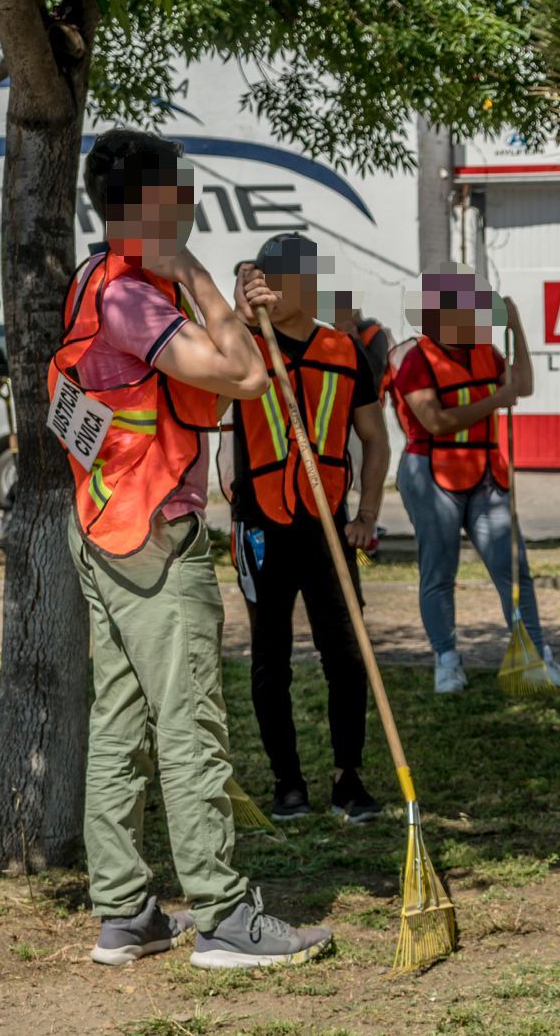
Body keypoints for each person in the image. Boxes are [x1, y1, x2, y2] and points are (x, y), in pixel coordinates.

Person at [51, 129, 332, 969]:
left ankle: (126, 911)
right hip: (153, 539)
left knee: (121, 719)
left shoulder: (92, 281)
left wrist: (220, 301)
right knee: (188, 722)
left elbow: (226, 357)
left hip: (103, 523)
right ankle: (221, 914)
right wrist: (201, 278)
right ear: (147, 210)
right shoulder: (135, 296)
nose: (196, 207)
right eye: (184, 195)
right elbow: (245, 378)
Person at [227, 234, 390, 823]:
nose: (268, 288)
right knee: (269, 659)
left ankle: (348, 779)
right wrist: (236, 315)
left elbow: (375, 440)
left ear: (303, 282)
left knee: (346, 657)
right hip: (261, 528)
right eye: (259, 278)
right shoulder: (241, 344)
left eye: (279, 277)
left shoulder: (345, 352)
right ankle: (287, 783)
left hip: (328, 529)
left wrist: (367, 515)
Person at [390, 266, 560, 693]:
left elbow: (525, 386)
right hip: (432, 474)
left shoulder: (486, 351)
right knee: (438, 572)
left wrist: (516, 329)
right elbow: (435, 421)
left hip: (486, 474)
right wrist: (496, 400)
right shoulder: (414, 359)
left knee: (514, 570)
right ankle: (446, 661)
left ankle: (535, 658)